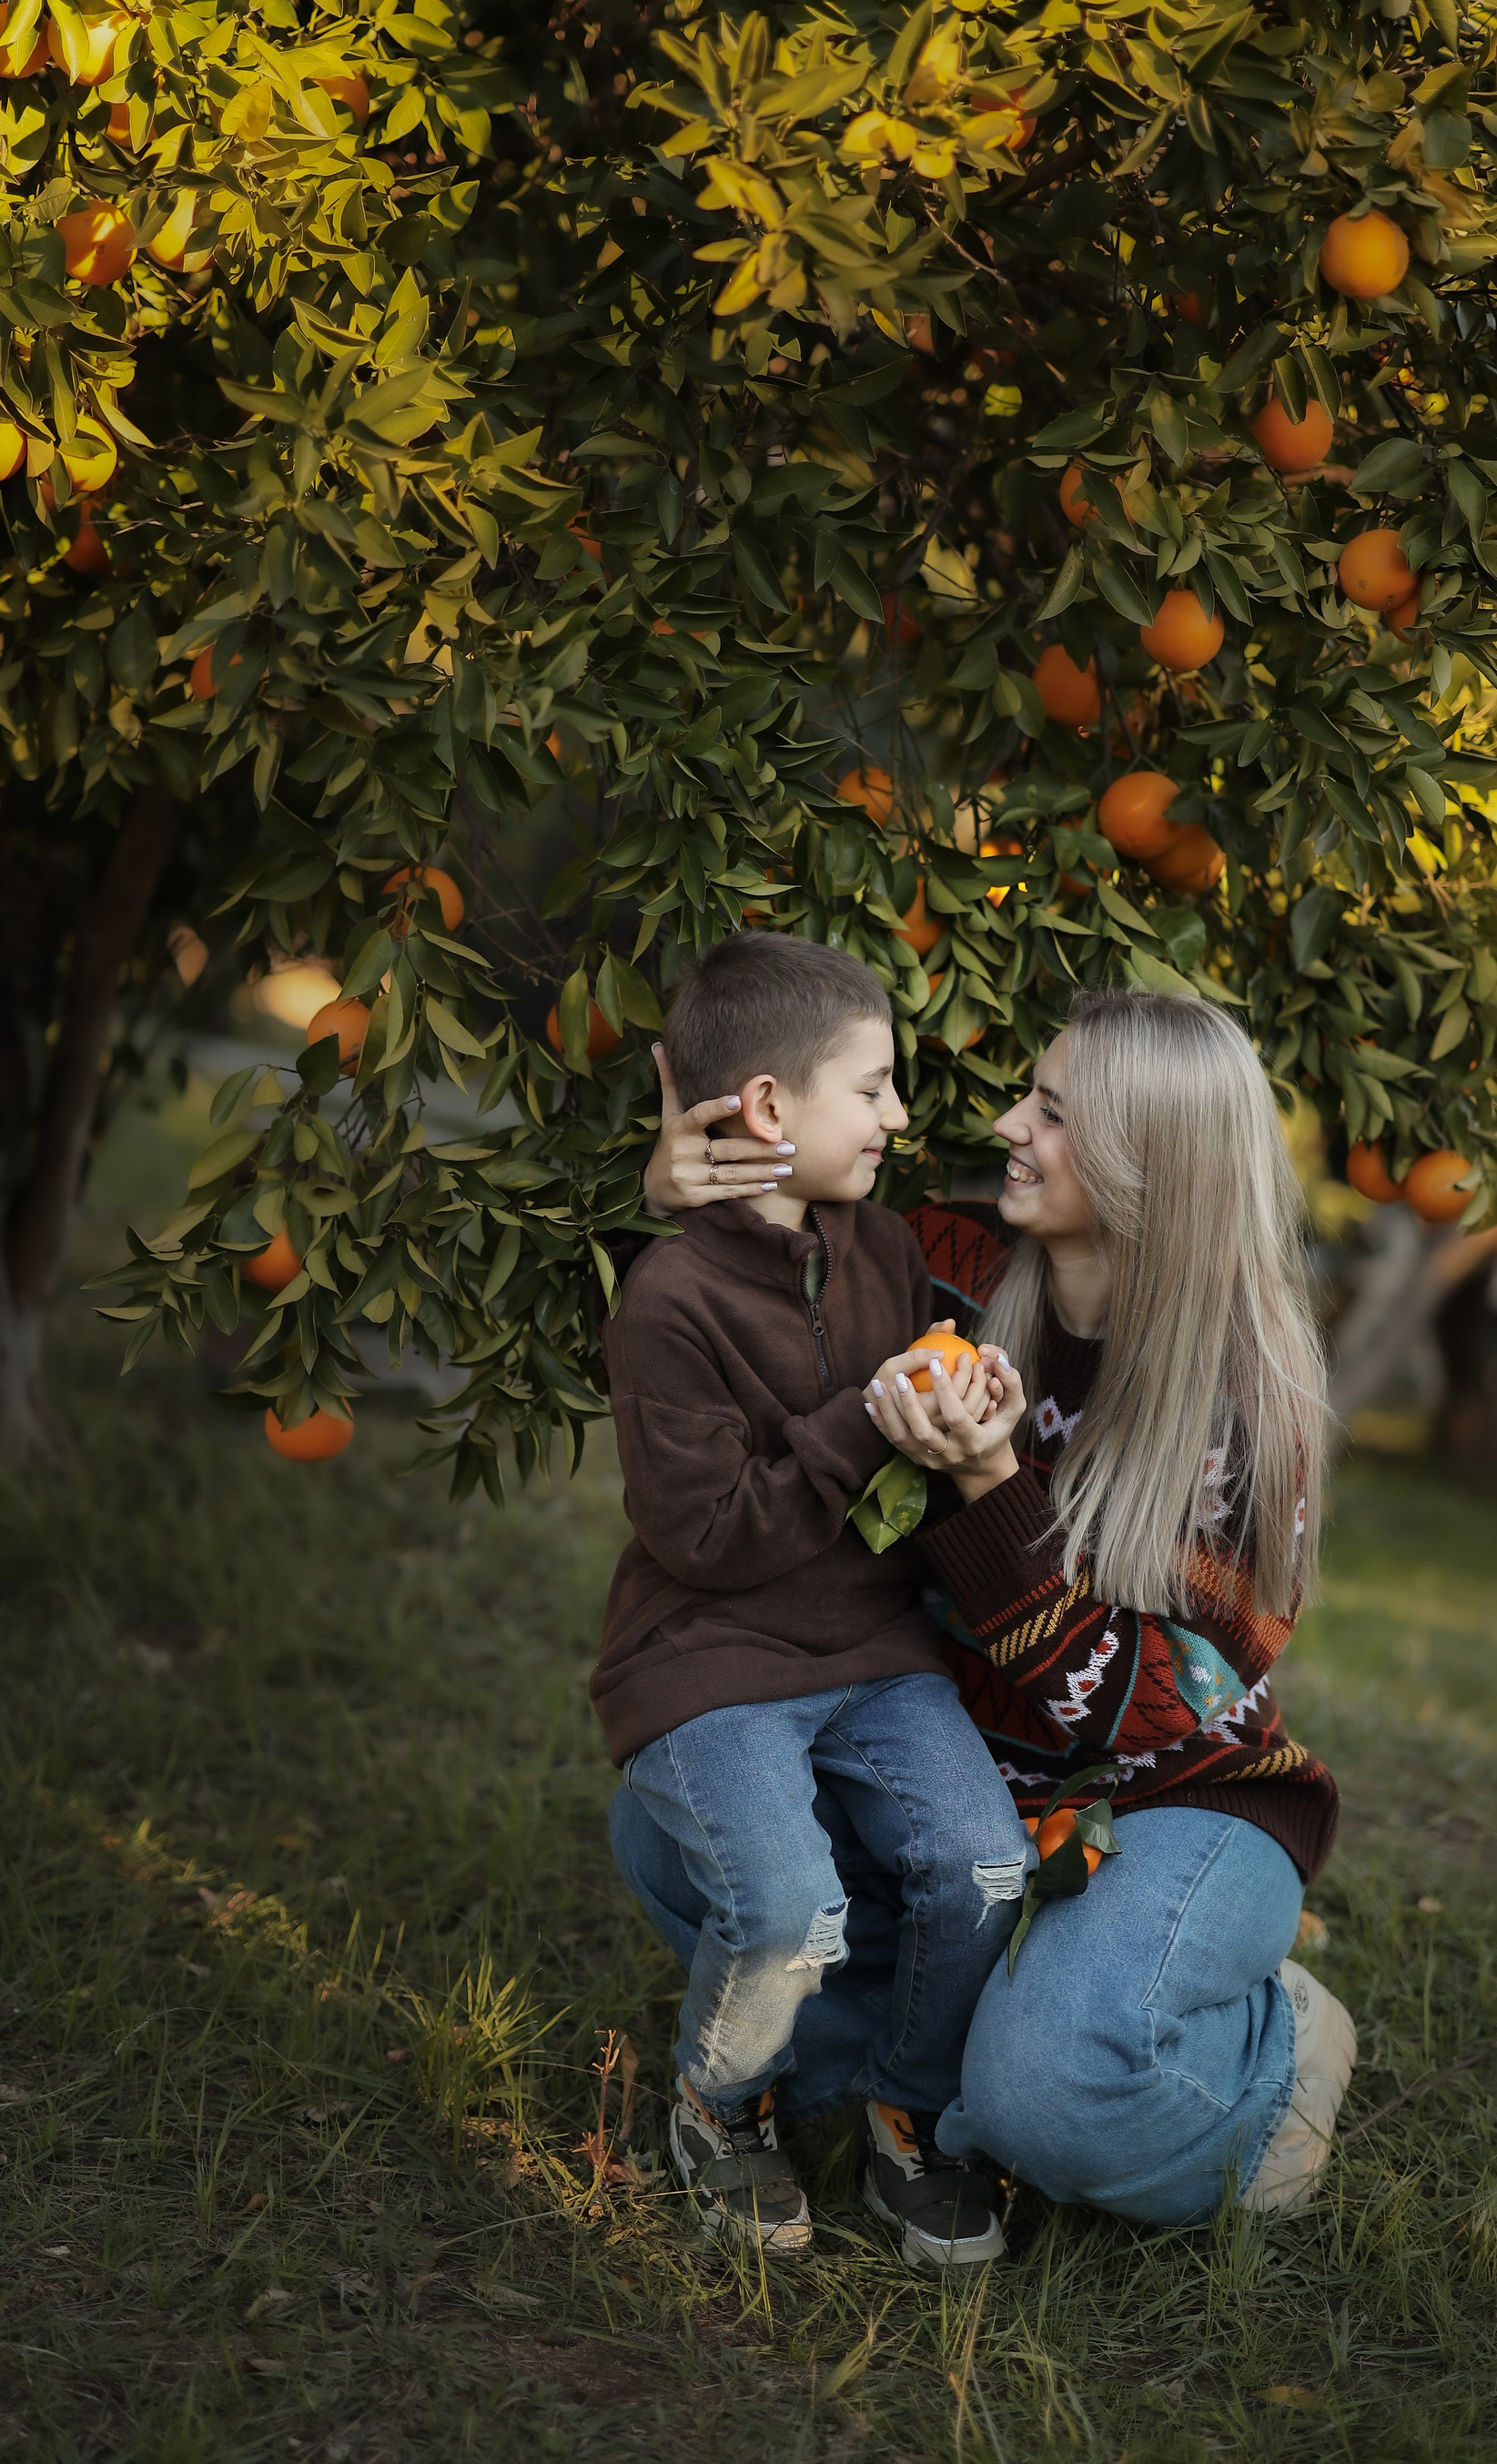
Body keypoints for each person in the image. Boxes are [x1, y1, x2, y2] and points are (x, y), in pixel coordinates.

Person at [628, 985, 1354, 2227]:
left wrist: (989, 1485)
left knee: (1044, 2097)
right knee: (672, 1830)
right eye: (1029, 1093)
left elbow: (1139, 1715)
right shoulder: (940, 1262)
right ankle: (951, 2059)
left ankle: (1277, 2046)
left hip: (1173, 1797)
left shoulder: (1249, 1400)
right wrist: (683, 1199)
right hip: (958, 1774)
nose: (1008, 1124)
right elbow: (736, 1315)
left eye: (1052, 1112)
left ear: (1147, 1163)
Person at [592, 932, 1029, 2268]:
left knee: (984, 1865)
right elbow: (709, 1536)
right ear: (771, 1107)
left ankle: (910, 2109)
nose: (899, 1115)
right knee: (792, 1912)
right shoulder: (670, 1299)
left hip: (875, 1649)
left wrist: (970, 1418)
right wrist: (863, 1422)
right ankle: (721, 2103)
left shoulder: (886, 1245)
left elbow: (926, 1441)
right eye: (875, 1087)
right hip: (713, 1657)